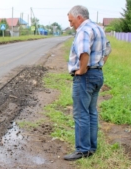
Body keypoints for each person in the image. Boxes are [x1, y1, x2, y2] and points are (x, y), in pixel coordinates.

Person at [64, 5, 107, 161]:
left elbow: (84, 52)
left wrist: (82, 70)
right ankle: (91, 148)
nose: (70, 24)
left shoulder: (83, 30)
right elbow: (107, 50)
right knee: (91, 112)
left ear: (79, 17)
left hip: (86, 76)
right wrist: (98, 66)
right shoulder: (99, 29)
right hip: (97, 73)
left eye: (71, 20)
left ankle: (82, 150)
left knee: (81, 113)